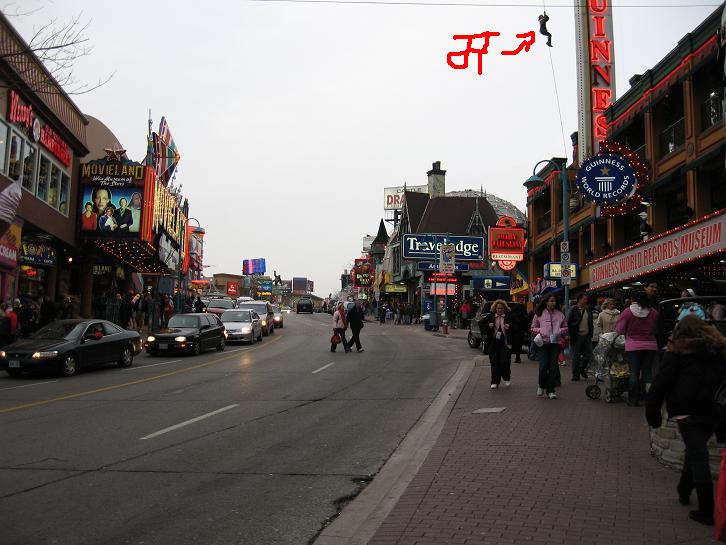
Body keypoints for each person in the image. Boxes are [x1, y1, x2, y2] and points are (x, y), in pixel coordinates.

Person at [646, 316, 726, 526]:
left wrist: (653, 414)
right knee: (695, 450)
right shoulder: (718, 352)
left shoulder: (676, 353)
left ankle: (706, 510)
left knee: (698, 454)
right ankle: (684, 489)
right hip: (712, 410)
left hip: (686, 409)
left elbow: (660, 384)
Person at [616, 290, 659, 407]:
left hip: (633, 346)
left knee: (634, 373)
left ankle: (633, 399)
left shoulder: (627, 312)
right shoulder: (653, 312)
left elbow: (619, 330)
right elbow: (657, 328)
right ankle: (649, 398)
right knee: (647, 372)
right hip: (650, 345)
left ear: (632, 299)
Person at [531, 295, 567, 399]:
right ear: (546, 302)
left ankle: (550, 390)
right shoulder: (539, 313)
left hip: (555, 343)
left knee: (553, 367)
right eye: (551, 301)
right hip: (543, 343)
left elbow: (565, 327)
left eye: (554, 301)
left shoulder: (560, 314)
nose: (553, 303)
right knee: (543, 366)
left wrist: (559, 331)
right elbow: (532, 328)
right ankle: (541, 385)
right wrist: (541, 331)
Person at [484, 299, 512, 389]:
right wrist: (488, 326)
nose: (500, 310)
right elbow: (482, 326)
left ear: (504, 309)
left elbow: (517, 327)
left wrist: (510, 326)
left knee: (504, 362)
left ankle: (506, 377)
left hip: (505, 343)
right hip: (493, 343)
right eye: (498, 308)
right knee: (494, 363)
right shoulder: (490, 317)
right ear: (495, 309)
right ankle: (494, 382)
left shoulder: (508, 317)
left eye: (501, 308)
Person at [567, 293, 594, 381]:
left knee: (589, 355)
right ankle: (576, 375)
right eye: (584, 299)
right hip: (576, 335)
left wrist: (591, 333)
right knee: (576, 356)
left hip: (587, 335)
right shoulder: (573, 309)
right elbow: (568, 322)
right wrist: (568, 334)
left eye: (586, 299)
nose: (586, 300)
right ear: (579, 299)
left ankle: (582, 367)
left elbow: (590, 321)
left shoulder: (588, 309)